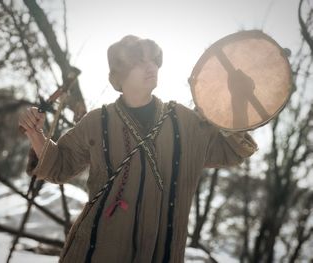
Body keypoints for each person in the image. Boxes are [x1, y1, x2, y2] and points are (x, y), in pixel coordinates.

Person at [19, 35, 258, 263]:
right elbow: (59, 166)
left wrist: (238, 99)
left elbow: (232, 150)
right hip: (97, 250)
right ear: (120, 73)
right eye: (140, 61)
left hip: (162, 252)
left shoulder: (185, 123)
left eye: (153, 60)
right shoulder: (97, 121)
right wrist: (35, 133)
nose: (150, 66)